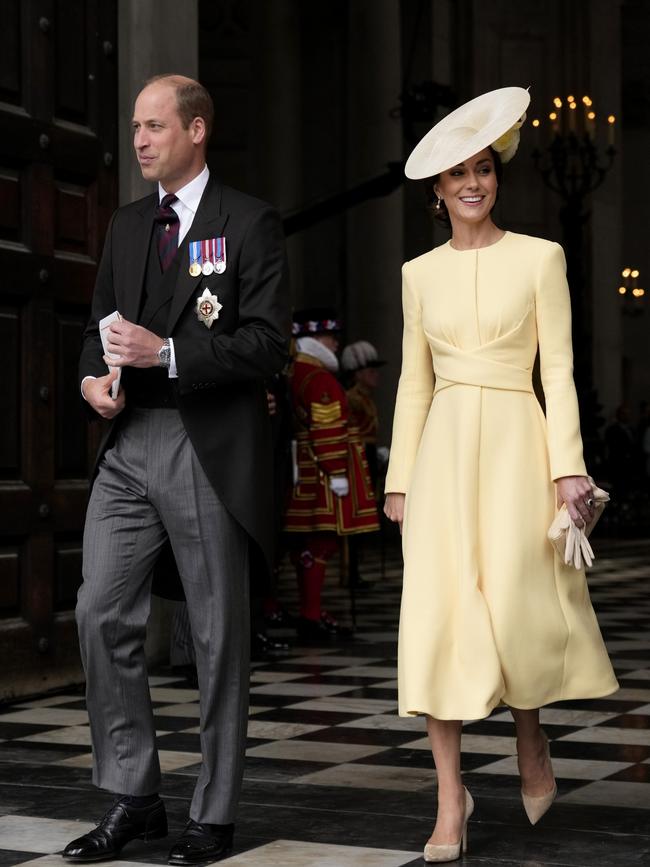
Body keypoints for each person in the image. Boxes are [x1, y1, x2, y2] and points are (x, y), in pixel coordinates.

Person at [383, 87, 617, 863]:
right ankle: (451, 797)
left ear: (495, 176)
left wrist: (568, 470)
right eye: (458, 174)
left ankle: (531, 734)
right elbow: (414, 382)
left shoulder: (540, 258)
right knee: (438, 617)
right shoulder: (418, 275)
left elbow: (562, 369)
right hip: (443, 454)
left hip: (520, 443)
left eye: (484, 168)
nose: (474, 183)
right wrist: (399, 477)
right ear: (438, 191)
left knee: (519, 603)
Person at [65, 74, 290, 864]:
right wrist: (92, 378)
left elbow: (268, 344)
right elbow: (97, 331)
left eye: (155, 126)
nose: (139, 140)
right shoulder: (129, 225)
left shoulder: (250, 222)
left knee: (216, 632)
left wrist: (167, 351)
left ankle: (215, 812)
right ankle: (136, 794)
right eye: (135, 127)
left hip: (207, 443)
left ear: (197, 130)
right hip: (129, 443)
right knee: (98, 610)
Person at [284, 309, 379, 640]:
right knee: (321, 543)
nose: (335, 342)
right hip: (320, 473)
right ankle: (310, 615)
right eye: (329, 336)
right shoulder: (318, 377)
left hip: (306, 467)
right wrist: (337, 471)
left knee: (306, 545)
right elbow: (326, 428)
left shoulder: (298, 371)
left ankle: (309, 611)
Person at [341, 340, 386, 587]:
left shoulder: (365, 399)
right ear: (357, 373)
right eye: (370, 369)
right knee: (354, 516)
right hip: (354, 458)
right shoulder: (352, 399)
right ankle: (350, 571)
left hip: (366, 455)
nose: (375, 374)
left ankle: (355, 571)